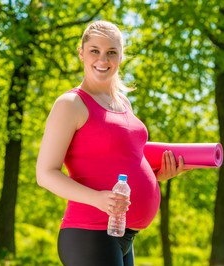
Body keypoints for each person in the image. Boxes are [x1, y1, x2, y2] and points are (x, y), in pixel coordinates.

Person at [36, 20, 185, 266]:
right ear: (81, 53)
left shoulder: (123, 103)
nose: (103, 59)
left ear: (121, 57)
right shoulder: (71, 104)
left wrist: (155, 175)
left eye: (111, 52)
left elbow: (119, 161)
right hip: (90, 231)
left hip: (124, 233)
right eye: (95, 50)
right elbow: (45, 174)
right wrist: (97, 199)